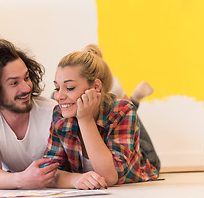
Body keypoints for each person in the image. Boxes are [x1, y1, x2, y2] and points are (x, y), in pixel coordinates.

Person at [44, 45, 159, 190]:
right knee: (60, 101)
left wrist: (85, 119)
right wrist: (74, 180)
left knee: (128, 106)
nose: (59, 95)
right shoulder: (59, 115)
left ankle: (134, 99)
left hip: (143, 161)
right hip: (106, 119)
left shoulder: (123, 110)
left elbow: (110, 177)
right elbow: (46, 172)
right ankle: (132, 97)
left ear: (96, 86)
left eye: (70, 87)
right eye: (57, 87)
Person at [0, 37, 59, 189]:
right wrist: (22, 179)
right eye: (14, 83)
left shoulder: (52, 112)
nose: (27, 88)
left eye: (27, 77)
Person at [83, 44, 160, 172]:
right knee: (128, 108)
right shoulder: (113, 82)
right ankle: (134, 100)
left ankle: (133, 101)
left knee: (125, 109)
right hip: (125, 153)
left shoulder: (68, 95)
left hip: (111, 150)